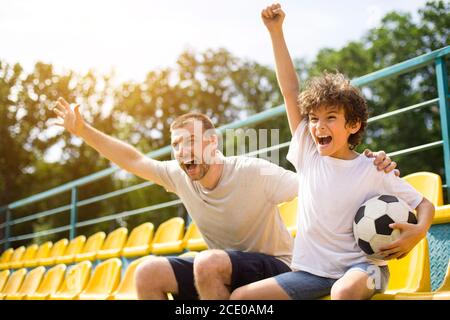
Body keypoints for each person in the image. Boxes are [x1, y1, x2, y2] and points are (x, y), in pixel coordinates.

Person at [52, 96, 397, 299]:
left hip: (275, 266)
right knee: (148, 273)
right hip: (221, 269)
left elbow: (320, 187)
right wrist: (83, 130)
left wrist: (365, 164)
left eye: (190, 142)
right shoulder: (177, 174)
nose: (181, 152)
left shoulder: (252, 172)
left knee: (208, 262)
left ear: (212, 144)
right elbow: (133, 159)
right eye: (175, 146)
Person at [228, 3, 435, 300]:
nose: (318, 126)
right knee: (240, 299)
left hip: (365, 270)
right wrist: (275, 32)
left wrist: (418, 232)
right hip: (310, 274)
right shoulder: (307, 153)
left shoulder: (373, 168)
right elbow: (290, 90)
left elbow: (424, 204)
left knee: (344, 291)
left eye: (331, 118)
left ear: (353, 124)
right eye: (313, 118)